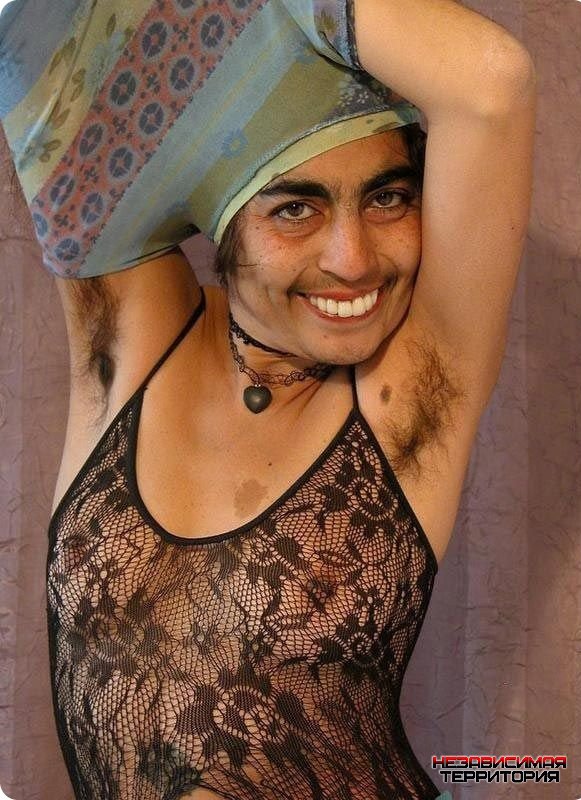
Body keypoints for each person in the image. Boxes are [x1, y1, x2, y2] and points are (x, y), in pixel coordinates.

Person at [1, 0, 536, 798]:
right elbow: (34, 48)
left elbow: (493, 81)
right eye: (294, 208)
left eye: (388, 198)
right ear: (225, 227)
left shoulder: (412, 393)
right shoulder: (135, 348)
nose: (352, 259)